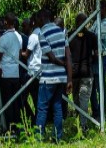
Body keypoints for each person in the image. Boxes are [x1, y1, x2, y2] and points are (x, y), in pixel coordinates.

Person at [35, 9, 72, 142]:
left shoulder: (42, 33)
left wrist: (61, 63)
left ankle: (38, 138)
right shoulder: (61, 32)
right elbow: (68, 55)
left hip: (48, 77)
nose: (36, 22)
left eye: (37, 19)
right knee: (57, 107)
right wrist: (69, 79)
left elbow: (51, 58)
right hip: (61, 78)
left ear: (42, 18)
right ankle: (58, 137)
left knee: (42, 108)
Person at [69, 13, 97, 133]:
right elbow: (96, 54)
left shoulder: (70, 36)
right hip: (86, 72)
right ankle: (83, 125)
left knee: (76, 99)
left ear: (76, 22)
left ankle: (80, 122)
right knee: (83, 100)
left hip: (74, 73)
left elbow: (67, 55)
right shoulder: (91, 36)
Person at [0, 13, 22, 135]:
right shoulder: (18, 36)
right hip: (16, 73)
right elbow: (20, 53)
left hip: (6, 73)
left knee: (8, 101)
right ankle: (17, 127)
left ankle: (9, 128)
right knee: (16, 101)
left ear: (6, 22)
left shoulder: (4, 38)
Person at [90, 0, 106, 121]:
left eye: (100, 9)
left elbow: (97, 37)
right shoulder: (96, 23)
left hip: (101, 58)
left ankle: (102, 113)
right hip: (93, 58)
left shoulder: (105, 24)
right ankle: (95, 110)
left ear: (104, 9)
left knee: (100, 87)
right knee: (92, 86)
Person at [21, 15, 41, 126]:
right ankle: (33, 119)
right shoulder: (32, 36)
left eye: (24, 26)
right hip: (32, 71)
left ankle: (37, 122)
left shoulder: (33, 37)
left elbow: (26, 54)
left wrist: (16, 52)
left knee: (32, 98)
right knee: (24, 98)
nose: (22, 28)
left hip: (33, 72)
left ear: (30, 25)